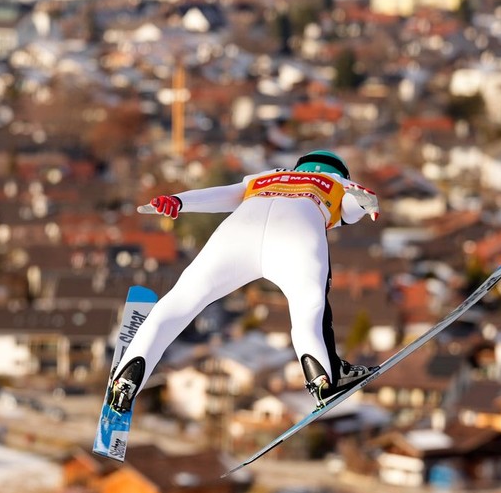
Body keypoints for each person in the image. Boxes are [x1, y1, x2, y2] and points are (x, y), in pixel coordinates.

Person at [108, 149, 381, 414]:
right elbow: (351, 207)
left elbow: (223, 195)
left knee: (180, 301)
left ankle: (125, 380)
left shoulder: (266, 176)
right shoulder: (340, 183)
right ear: (340, 171)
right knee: (309, 310)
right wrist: (366, 202)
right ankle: (324, 380)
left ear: (300, 166)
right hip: (295, 237)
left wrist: (179, 201)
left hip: (237, 235)